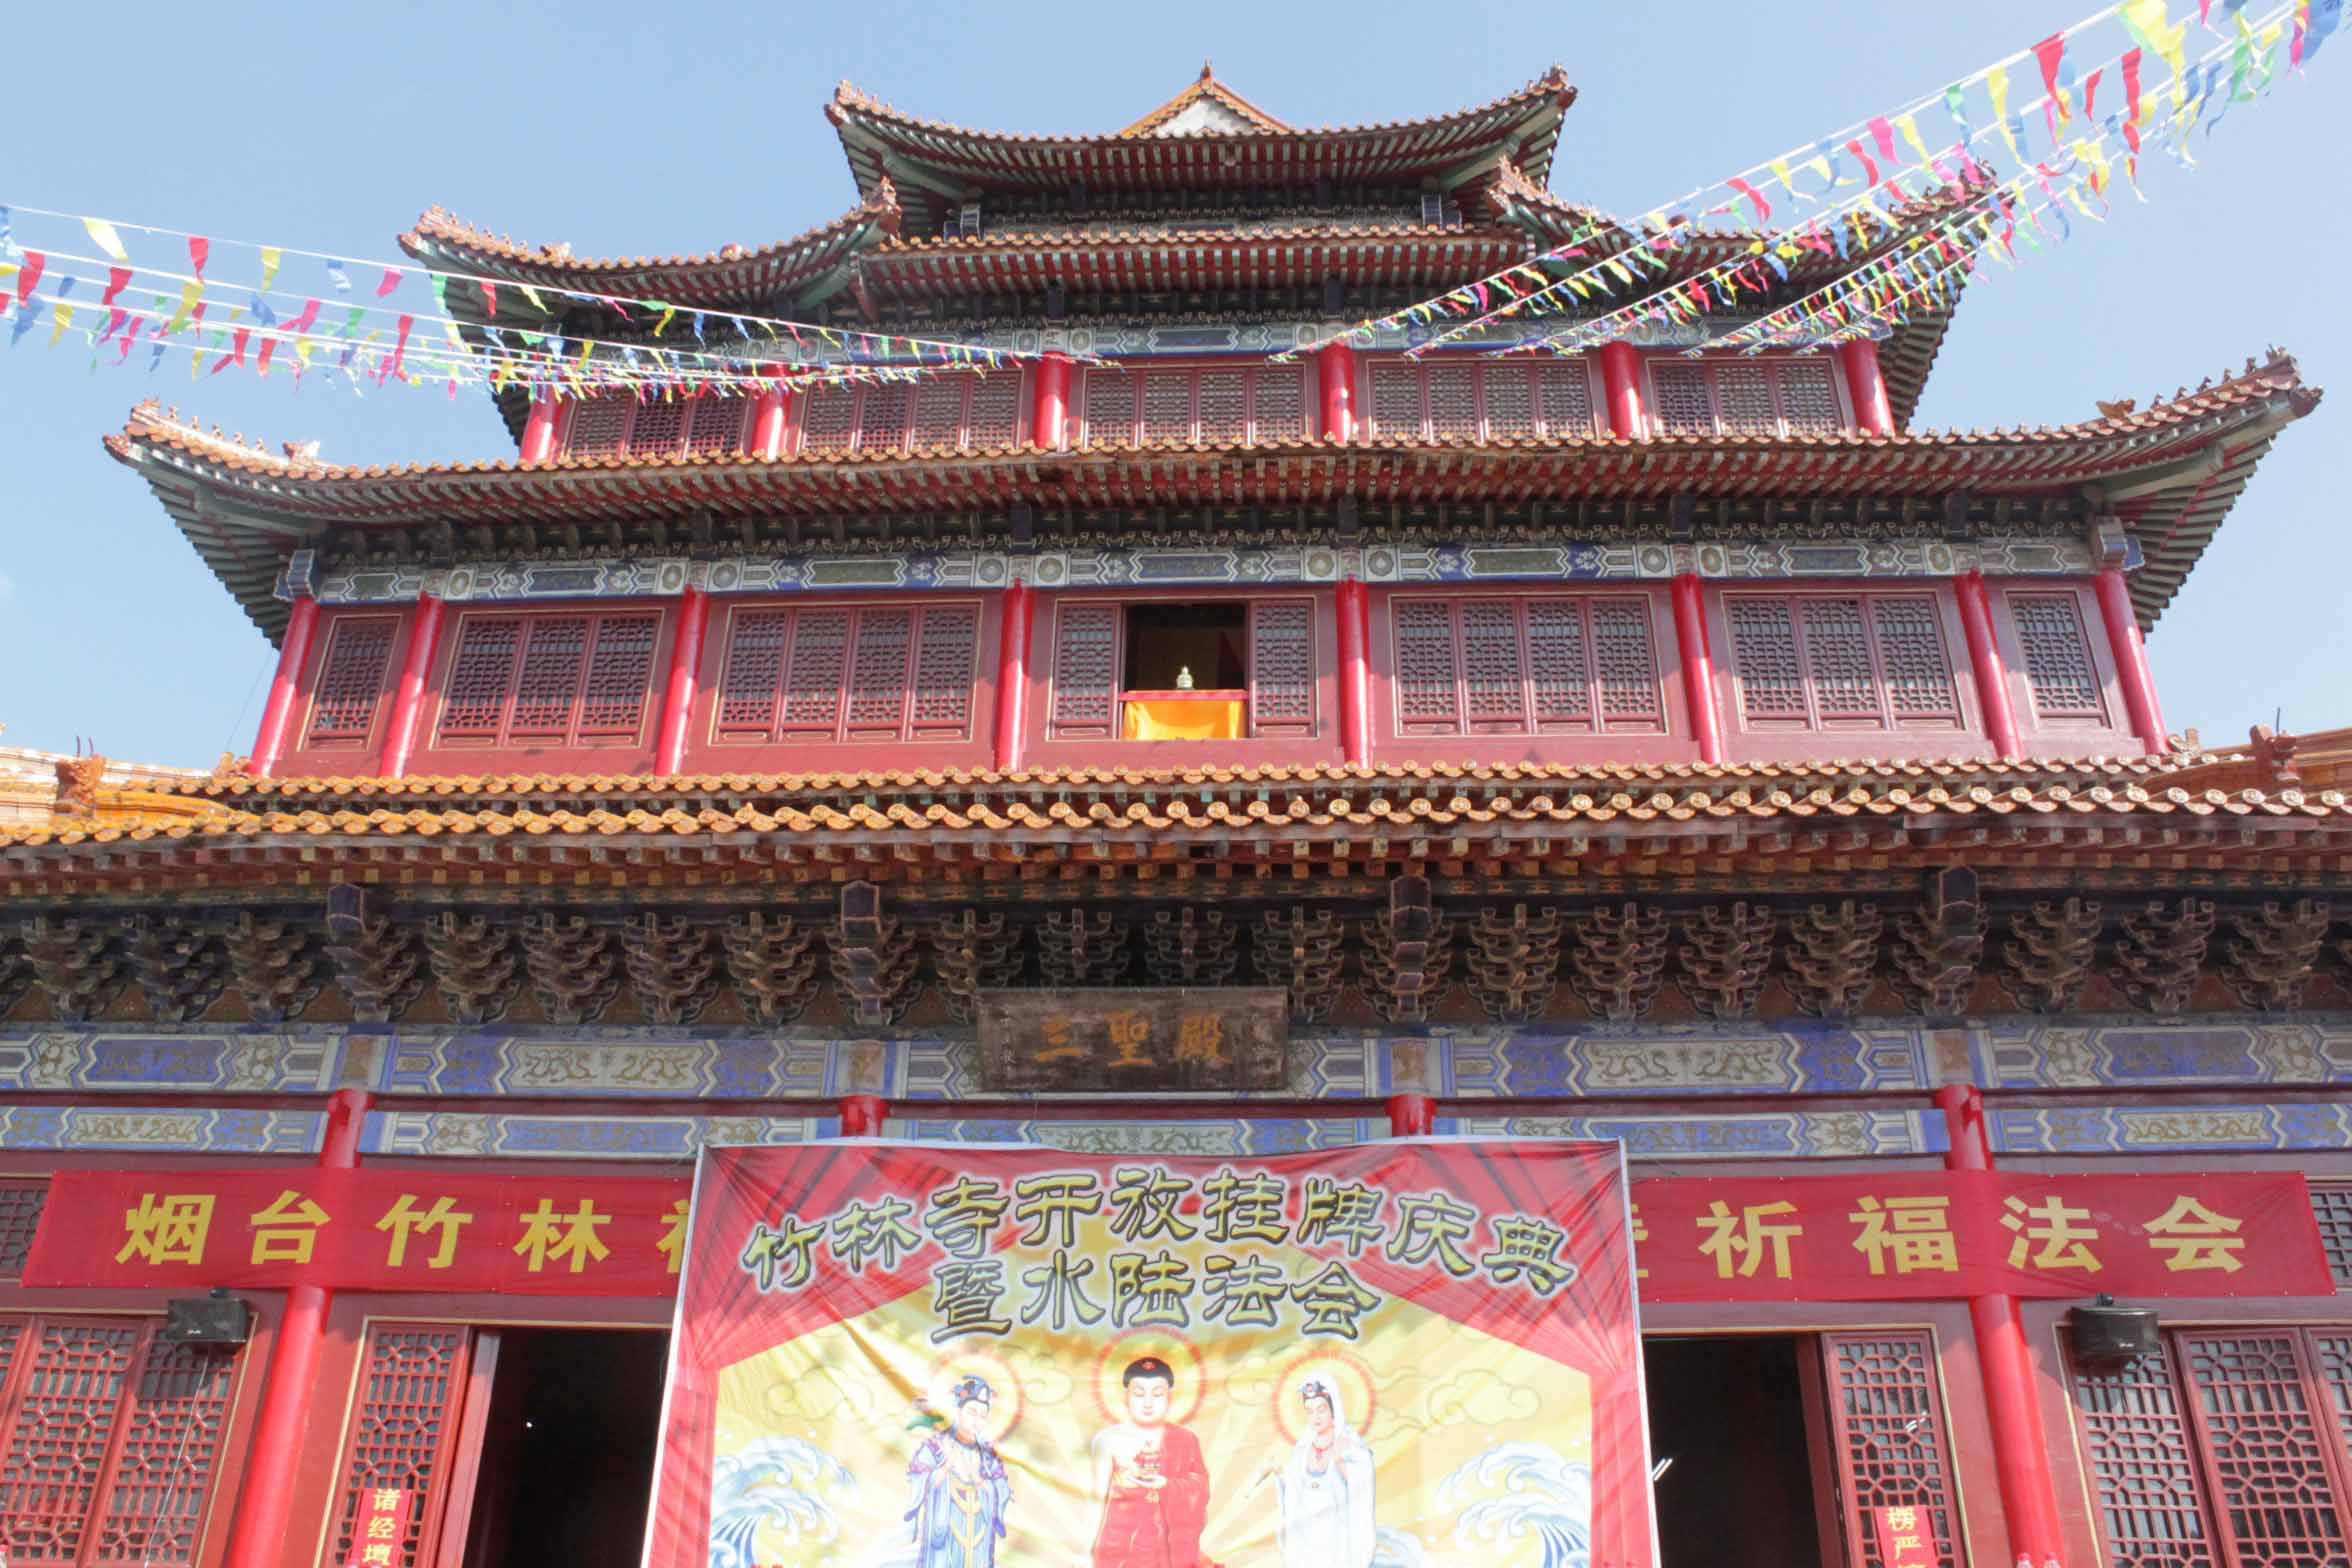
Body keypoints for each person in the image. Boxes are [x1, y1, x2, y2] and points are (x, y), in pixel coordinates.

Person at [1091, 1356, 1211, 1568]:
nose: (1148, 1403)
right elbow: (1096, 1500)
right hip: (1121, 1545)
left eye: (1157, 1394)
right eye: (1139, 1394)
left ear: (1170, 1397)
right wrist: (1086, 1551)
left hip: (1171, 1548)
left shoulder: (1185, 1439)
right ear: (1126, 1397)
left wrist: (1166, 1484)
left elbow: (1200, 1488)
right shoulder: (1108, 1440)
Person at [1261, 1378, 1375, 1568]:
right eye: (1310, 1411)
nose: (1316, 1417)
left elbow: (1362, 1486)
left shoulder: (1349, 1444)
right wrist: (1280, 1474)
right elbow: (1295, 1491)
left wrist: (1339, 1461)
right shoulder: (1303, 1449)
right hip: (1307, 1537)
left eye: (1321, 1409)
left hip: (1337, 1537)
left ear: (1333, 1409)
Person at [906, 1375, 1014, 1568]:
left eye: (983, 1415)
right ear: (958, 1410)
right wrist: (946, 1466)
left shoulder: (988, 1457)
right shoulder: (936, 1446)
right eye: (972, 1412)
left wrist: (978, 1479)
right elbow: (919, 1476)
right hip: (944, 1533)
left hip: (978, 1539)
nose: (977, 1421)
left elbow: (1001, 1490)